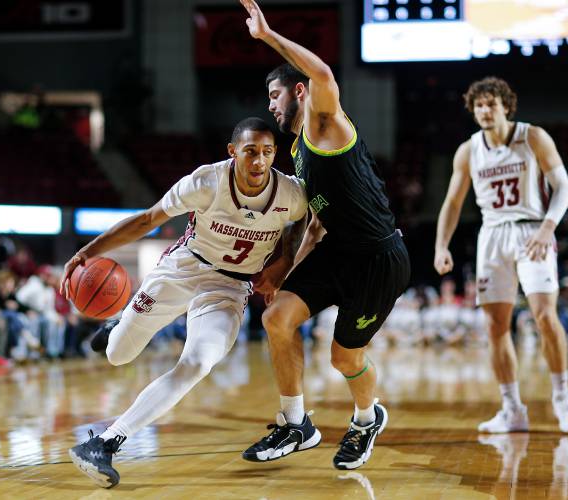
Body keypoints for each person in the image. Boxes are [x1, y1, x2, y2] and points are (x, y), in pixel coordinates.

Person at [63, 117, 308, 488]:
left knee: (198, 362)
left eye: (267, 153)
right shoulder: (206, 181)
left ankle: (106, 442)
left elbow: (303, 224)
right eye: (250, 152)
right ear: (233, 152)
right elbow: (147, 220)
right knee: (118, 355)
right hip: (184, 268)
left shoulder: (290, 194)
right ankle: (117, 327)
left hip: (229, 287)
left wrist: (282, 265)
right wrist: (86, 252)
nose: (259, 161)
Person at [238, 0, 411, 470]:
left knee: (343, 358)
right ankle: (296, 424)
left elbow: (324, 74)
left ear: (297, 91)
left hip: (379, 258)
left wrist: (268, 35)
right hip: (337, 250)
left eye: (275, 95)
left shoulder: (324, 123)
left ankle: (365, 418)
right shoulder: (297, 152)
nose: (270, 106)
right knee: (276, 319)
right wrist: (281, 273)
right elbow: (312, 225)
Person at [434, 76, 568, 433]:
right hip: (493, 234)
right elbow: (453, 202)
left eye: (491, 104)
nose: (485, 111)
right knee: (494, 326)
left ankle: (562, 398)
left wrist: (549, 226)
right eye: (479, 106)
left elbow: (564, 186)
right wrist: (442, 245)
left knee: (545, 315)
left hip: (533, 229)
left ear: (505, 106)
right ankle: (512, 408)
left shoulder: (532, 137)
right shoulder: (469, 150)